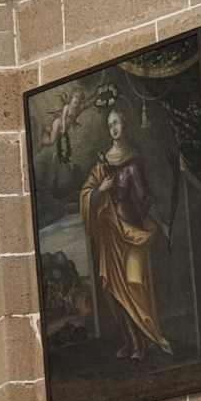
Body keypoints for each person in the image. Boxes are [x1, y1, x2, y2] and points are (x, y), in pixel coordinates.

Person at [79, 108, 172, 361]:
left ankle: (146, 339)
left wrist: (141, 218)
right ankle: (131, 341)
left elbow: (145, 197)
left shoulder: (134, 161)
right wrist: (101, 190)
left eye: (117, 123)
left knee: (134, 284)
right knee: (112, 288)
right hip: (110, 235)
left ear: (125, 124)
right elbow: (86, 194)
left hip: (131, 230)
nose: (113, 128)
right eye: (110, 124)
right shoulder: (102, 164)